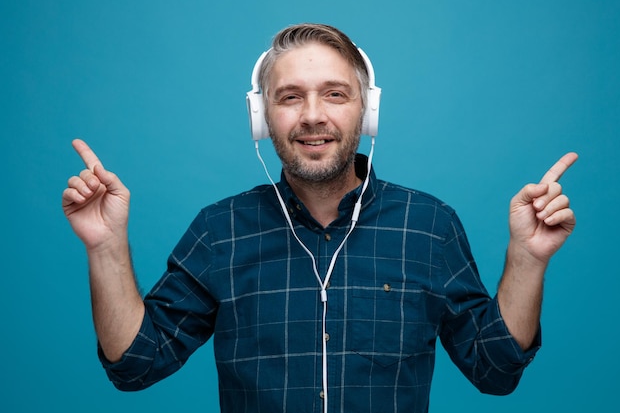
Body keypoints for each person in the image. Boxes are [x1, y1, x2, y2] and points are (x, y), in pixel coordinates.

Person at [62, 23, 577, 413]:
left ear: (366, 112)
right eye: (290, 97)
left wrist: (527, 259)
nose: (312, 115)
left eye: (335, 93)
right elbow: (134, 366)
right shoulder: (221, 231)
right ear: (262, 118)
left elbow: (495, 370)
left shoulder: (429, 225)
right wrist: (105, 246)